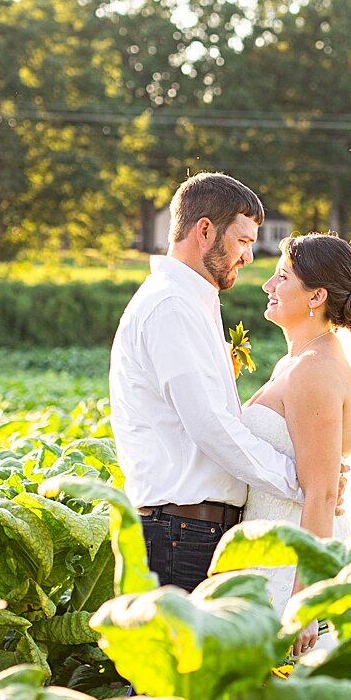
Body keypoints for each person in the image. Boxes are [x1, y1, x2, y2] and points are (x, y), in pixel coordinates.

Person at [110, 172, 310, 592]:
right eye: (242, 241)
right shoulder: (171, 306)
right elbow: (211, 426)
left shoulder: (191, 301)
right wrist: (299, 479)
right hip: (179, 532)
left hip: (189, 530)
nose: (250, 257)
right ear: (204, 230)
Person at [239, 232, 351, 656]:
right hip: (267, 551)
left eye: (281, 277)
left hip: (289, 563)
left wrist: (304, 603)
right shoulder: (297, 362)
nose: (268, 286)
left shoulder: (314, 370)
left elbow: (322, 492)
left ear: (316, 295)